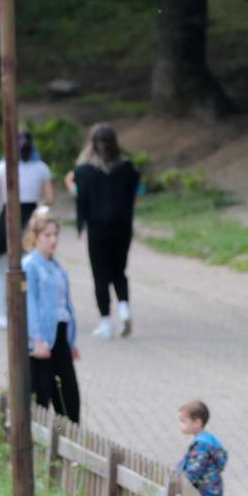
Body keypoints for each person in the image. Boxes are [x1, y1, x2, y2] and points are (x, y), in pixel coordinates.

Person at [67, 124, 140, 340]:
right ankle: (124, 308)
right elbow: (135, 193)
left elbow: (78, 195)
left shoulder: (84, 171)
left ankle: (106, 322)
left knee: (100, 273)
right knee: (119, 269)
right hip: (122, 226)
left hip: (98, 228)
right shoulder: (127, 168)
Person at [0, 131, 54, 329]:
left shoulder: (2, 167)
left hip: (7, 218)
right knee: (30, 268)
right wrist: (40, 211)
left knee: (5, 270)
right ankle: (30, 311)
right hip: (31, 219)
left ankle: (5, 313)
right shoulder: (41, 168)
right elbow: (49, 198)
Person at [22, 209, 81, 423]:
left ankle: (63, 445)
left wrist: (71, 341)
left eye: (55, 235)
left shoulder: (57, 268)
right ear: (35, 238)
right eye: (47, 235)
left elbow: (64, 305)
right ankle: (40, 447)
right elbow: (30, 305)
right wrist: (36, 339)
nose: (53, 240)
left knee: (68, 401)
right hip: (42, 341)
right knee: (41, 399)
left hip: (61, 337)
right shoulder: (30, 266)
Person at [178, 400, 228, 496]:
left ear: (197, 423)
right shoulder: (207, 439)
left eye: (183, 421)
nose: (180, 425)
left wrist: (180, 480)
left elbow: (195, 469)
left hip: (203, 491)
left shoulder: (202, 445)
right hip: (208, 489)